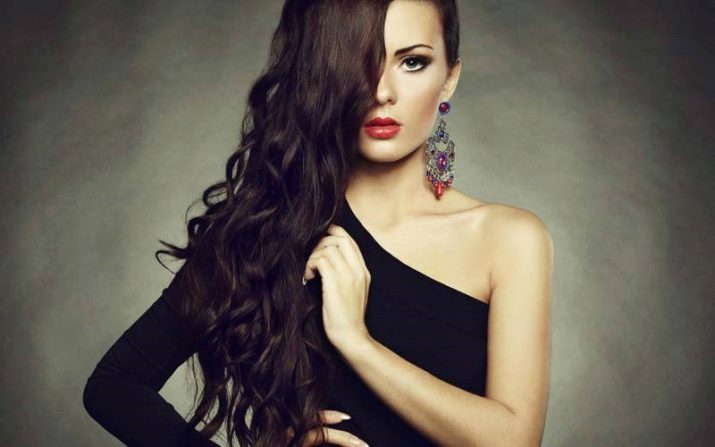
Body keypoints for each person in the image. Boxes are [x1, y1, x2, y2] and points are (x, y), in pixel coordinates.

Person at [83, 0, 553, 446]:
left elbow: (515, 439)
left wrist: (357, 343)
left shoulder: (510, 239)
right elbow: (115, 386)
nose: (381, 91)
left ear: (449, 78)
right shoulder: (266, 229)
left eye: (412, 62)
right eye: (357, 61)